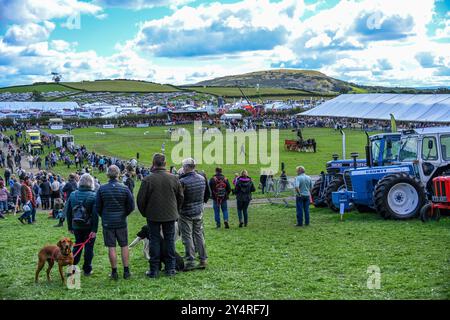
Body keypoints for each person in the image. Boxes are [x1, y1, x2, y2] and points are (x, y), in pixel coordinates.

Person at [137, 153, 184, 278]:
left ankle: (155, 269)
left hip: (153, 215)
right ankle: (170, 268)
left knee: (154, 241)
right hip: (169, 214)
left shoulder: (148, 179)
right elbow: (181, 197)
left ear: (153, 163)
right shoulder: (174, 178)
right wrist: (176, 210)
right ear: (165, 164)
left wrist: (145, 213)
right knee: (169, 241)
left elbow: (141, 200)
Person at [96, 165, 135, 280]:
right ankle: (126, 271)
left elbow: (97, 207)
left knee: (111, 247)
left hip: (108, 222)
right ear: (118, 174)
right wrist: (124, 214)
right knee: (124, 245)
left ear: (107, 174)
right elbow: (131, 206)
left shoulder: (102, 189)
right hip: (121, 221)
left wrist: (104, 216)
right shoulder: (124, 188)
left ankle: (114, 272)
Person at [178, 158, 210, 270]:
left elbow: (180, 198)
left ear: (186, 167)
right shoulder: (202, 178)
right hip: (199, 210)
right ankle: (203, 259)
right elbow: (206, 194)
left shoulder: (182, 181)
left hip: (186, 212)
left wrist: (179, 209)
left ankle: (190, 260)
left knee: (187, 236)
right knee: (199, 235)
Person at [66, 173, 98, 276]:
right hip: (89, 226)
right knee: (89, 248)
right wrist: (94, 230)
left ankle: (72, 268)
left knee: (77, 245)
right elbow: (95, 215)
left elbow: (68, 211)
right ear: (91, 183)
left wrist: (70, 226)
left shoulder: (73, 194)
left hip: (76, 225)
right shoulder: (93, 196)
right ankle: (87, 269)